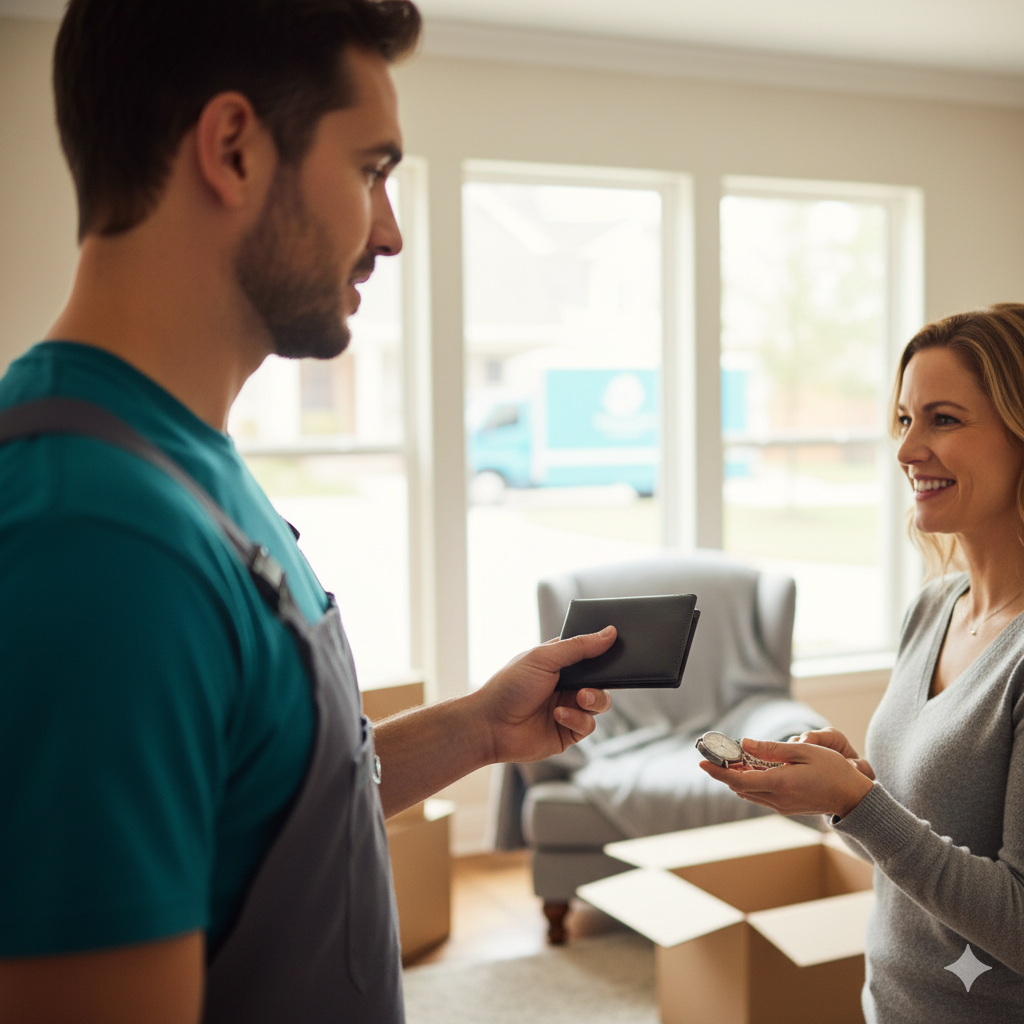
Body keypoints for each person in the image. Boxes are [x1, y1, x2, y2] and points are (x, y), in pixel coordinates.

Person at [0, 2, 616, 1022]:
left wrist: (473, 729)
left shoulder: (179, 462)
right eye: (371, 169)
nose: (391, 231)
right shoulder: (100, 542)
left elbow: (252, 811)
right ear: (234, 149)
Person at [700, 303, 1024, 1022]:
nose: (908, 451)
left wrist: (858, 803)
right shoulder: (934, 608)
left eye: (944, 419)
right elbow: (925, 836)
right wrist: (846, 791)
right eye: (905, 421)